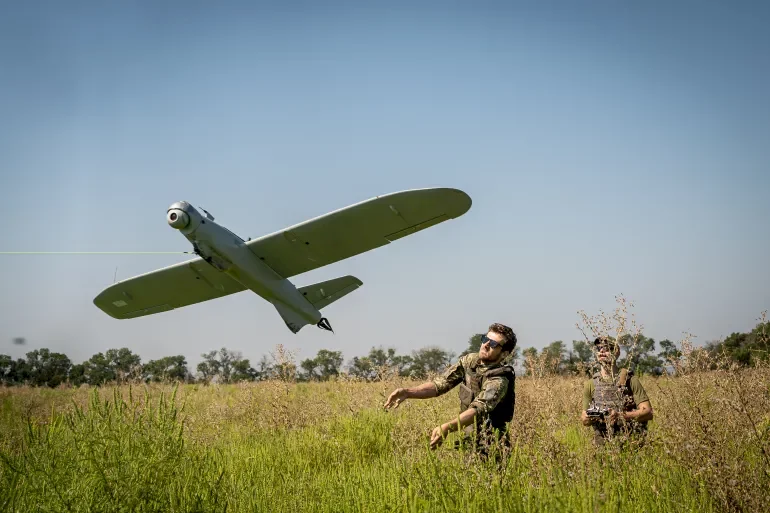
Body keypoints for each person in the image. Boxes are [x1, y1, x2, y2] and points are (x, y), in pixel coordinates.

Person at [384, 323, 517, 456]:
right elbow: (441, 384)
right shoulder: (470, 361)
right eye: (485, 339)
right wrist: (408, 392)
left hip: (493, 444)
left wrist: (447, 427)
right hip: (468, 437)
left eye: (493, 344)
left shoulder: (499, 379)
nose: (486, 345)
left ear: (504, 353)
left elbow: (477, 410)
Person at [581, 336, 654, 446]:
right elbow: (584, 420)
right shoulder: (590, 384)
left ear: (616, 352)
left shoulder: (630, 380)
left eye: (606, 348)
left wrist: (620, 416)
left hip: (631, 444)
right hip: (602, 448)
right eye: (599, 348)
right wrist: (591, 417)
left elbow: (648, 413)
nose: (602, 351)